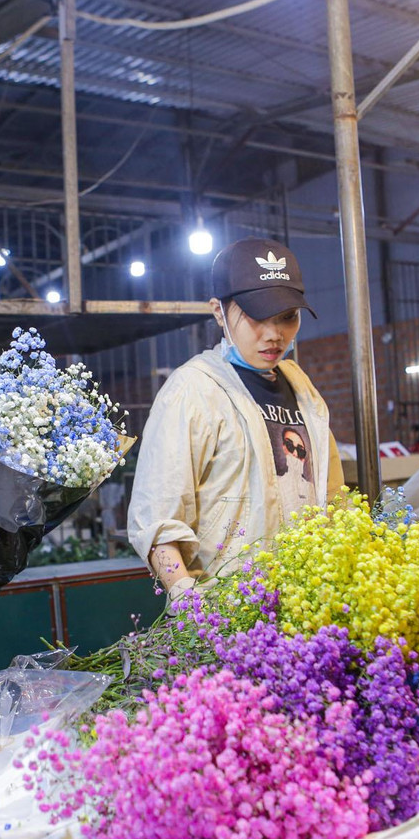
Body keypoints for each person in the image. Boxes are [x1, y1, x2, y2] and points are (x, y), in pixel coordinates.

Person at [128, 238, 344, 600]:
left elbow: (333, 496)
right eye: (258, 317)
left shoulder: (302, 388)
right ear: (218, 312)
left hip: (310, 604)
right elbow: (157, 520)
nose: (274, 334)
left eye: (287, 317)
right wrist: (187, 600)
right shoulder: (193, 391)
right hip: (229, 609)